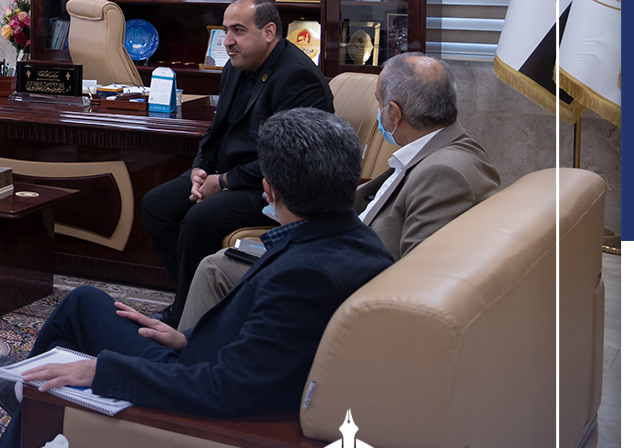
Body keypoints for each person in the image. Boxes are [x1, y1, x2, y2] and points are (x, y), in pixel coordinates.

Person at [0, 108, 393, 448]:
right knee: (85, 302)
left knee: (77, 332)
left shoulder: (307, 278)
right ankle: (28, 392)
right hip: (199, 357)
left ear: (269, 189)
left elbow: (224, 390)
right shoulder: (357, 239)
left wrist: (100, 370)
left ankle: (11, 442)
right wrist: (184, 338)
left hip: (197, 386)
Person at [175, 52, 501, 329]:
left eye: (379, 104)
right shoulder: (436, 150)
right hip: (335, 252)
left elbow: (418, 282)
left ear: (394, 112)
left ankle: (188, 364)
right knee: (231, 259)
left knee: (216, 269)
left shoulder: (444, 172)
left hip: (347, 282)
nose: (379, 114)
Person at [141, 0, 331, 325]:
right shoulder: (235, 66)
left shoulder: (299, 77)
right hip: (224, 174)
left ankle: (188, 319)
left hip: (272, 186)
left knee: (199, 220)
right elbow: (217, 130)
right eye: (226, 30)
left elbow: (290, 158)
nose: (227, 41)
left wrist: (224, 182)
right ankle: (198, 301)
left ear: (269, 32)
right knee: (156, 205)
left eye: (238, 31)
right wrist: (201, 168)